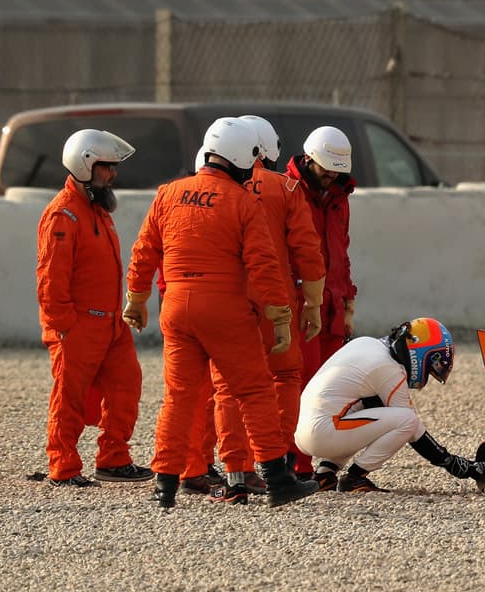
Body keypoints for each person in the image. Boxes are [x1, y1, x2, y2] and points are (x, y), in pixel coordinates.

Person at [124, 117, 318, 509]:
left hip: (177, 308)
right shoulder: (243, 201)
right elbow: (264, 266)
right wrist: (280, 318)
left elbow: (144, 251)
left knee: (178, 398)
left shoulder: (168, 193)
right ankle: (278, 481)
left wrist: (136, 297)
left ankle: (164, 486)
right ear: (241, 157)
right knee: (255, 391)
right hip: (226, 310)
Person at [193, 116, 328, 504]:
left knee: (228, 387)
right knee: (284, 378)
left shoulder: (208, 188)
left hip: (228, 297)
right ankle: (279, 466)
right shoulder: (284, 188)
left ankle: (237, 473)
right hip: (276, 295)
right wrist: (314, 304)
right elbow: (307, 250)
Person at [35, 130, 152, 487]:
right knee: (68, 397)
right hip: (79, 325)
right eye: (107, 168)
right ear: (85, 166)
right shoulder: (63, 215)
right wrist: (63, 326)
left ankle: (113, 459)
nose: (113, 175)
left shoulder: (96, 209)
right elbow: (50, 278)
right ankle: (64, 467)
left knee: (126, 386)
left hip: (110, 323)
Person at [294, 317, 485, 492]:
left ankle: (324, 476)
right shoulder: (389, 368)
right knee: (406, 420)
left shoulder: (367, 343)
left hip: (304, 430)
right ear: (422, 353)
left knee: (369, 407)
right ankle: (354, 478)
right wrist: (453, 463)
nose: (429, 374)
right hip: (321, 434)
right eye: (434, 365)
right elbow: (414, 430)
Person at [285, 125, 358, 479]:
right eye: (326, 168)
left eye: (337, 170)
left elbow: (341, 253)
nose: (331, 175)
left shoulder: (340, 195)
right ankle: (294, 464)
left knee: (333, 386)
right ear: (310, 158)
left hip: (332, 305)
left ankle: (325, 464)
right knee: (299, 384)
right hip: (301, 304)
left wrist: (347, 303)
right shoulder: (287, 192)